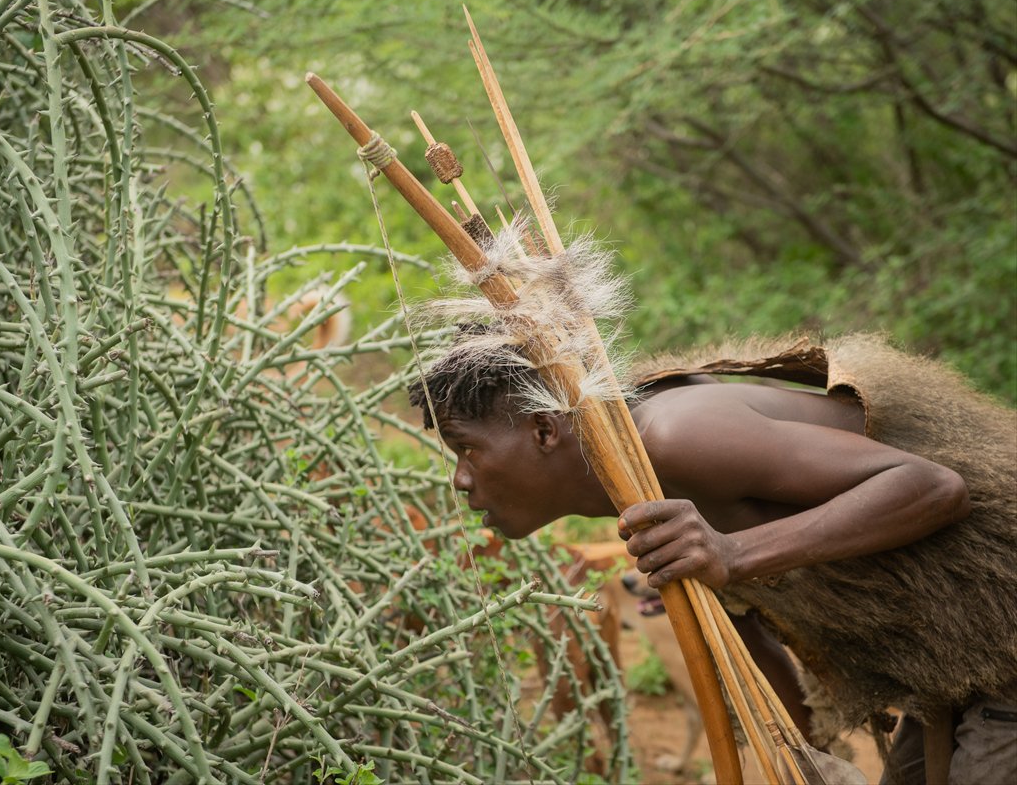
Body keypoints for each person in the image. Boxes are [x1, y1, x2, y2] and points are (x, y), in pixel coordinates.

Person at [409, 332, 1017, 784]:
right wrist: (803, 764)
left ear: (544, 431)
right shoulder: (640, 501)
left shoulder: (675, 436)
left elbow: (934, 488)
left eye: (466, 450)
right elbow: (760, 655)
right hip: (963, 663)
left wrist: (734, 553)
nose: (460, 479)